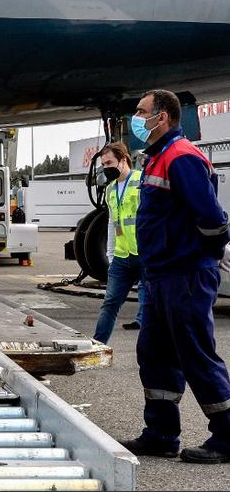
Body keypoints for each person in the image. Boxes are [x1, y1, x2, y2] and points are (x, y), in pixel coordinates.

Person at [120, 89, 230, 463]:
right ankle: (162, 434)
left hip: (185, 274)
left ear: (162, 116)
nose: (136, 117)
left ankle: (227, 436)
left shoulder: (180, 157)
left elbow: (213, 220)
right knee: (154, 354)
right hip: (161, 276)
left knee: (196, 354)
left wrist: (204, 259)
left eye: (142, 111)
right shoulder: (156, 159)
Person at [92, 142, 146, 344]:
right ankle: (98, 346)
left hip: (144, 255)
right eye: (103, 165)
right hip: (122, 257)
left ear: (123, 160)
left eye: (109, 163)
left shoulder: (142, 182)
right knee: (110, 304)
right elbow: (112, 223)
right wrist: (111, 255)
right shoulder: (111, 189)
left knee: (148, 306)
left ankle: (151, 352)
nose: (106, 168)